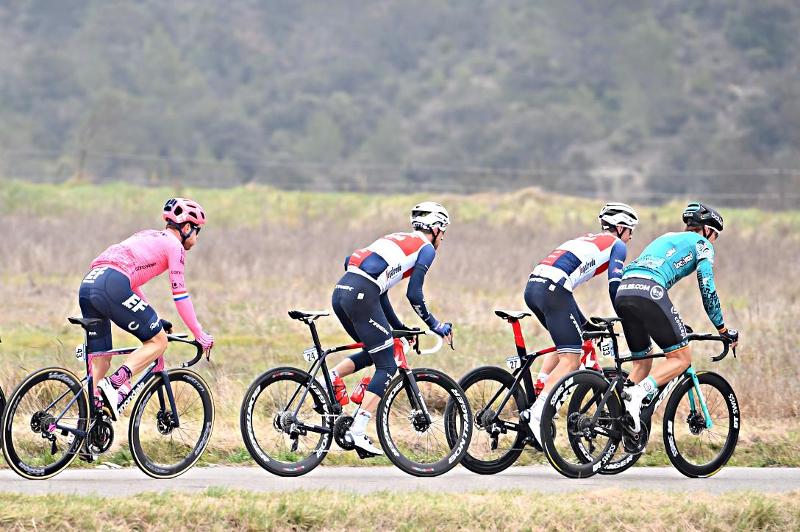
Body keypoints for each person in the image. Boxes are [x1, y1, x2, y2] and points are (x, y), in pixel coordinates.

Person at [328, 202, 453, 455]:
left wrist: (400, 328)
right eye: (444, 231)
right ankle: (358, 430)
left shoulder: (398, 238)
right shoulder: (426, 248)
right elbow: (414, 294)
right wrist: (435, 324)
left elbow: (379, 290)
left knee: (377, 350)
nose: (443, 237)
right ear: (436, 228)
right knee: (387, 365)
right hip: (362, 295)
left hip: (342, 292)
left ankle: (329, 379)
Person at [79, 198, 214, 421]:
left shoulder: (146, 235)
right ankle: (116, 384)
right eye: (197, 231)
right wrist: (199, 334)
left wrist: (155, 319)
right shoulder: (175, 247)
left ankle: (87, 426)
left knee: (101, 360)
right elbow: (180, 294)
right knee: (158, 342)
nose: (197, 238)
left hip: (90, 284)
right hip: (113, 284)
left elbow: (132, 285)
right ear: (187, 227)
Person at [615, 202, 738, 434]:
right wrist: (722, 329)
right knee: (681, 358)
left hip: (625, 290)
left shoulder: (667, 237)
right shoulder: (702, 244)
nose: (714, 241)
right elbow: (707, 285)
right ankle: (637, 393)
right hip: (649, 292)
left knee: (642, 362)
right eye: (715, 236)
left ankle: (622, 416)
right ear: (708, 230)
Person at [524, 202, 639, 445]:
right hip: (555, 289)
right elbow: (614, 285)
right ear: (619, 228)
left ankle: (539, 392)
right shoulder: (616, 245)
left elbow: (566, 288)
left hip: (535, 286)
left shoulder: (588, 239)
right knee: (572, 359)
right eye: (630, 231)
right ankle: (538, 415)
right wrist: (626, 317)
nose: (630, 237)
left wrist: (584, 323)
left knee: (566, 344)